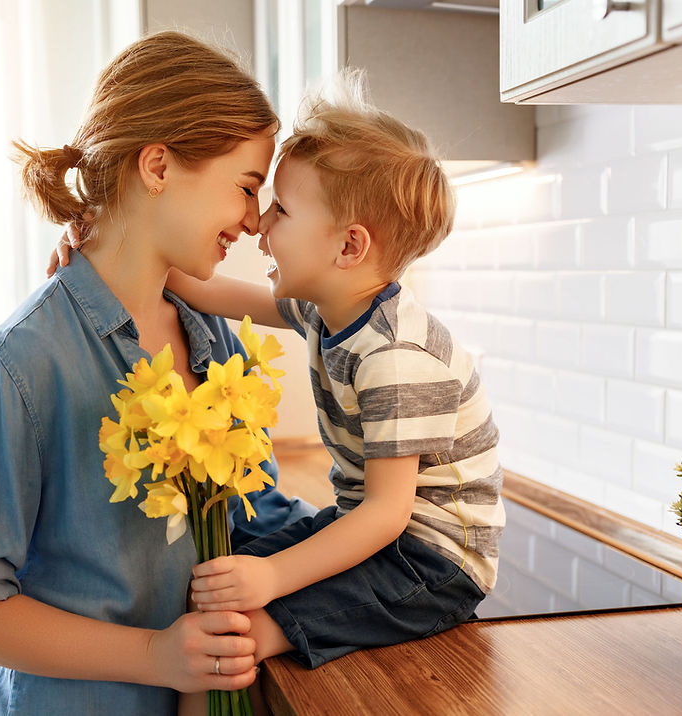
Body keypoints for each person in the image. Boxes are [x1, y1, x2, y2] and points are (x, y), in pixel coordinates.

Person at [0, 31, 314, 714]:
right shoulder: (21, 364)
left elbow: (253, 520)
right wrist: (156, 658)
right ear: (157, 165)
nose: (253, 221)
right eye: (247, 187)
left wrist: (383, 540)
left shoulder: (213, 340)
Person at [151, 73, 505, 669]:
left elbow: (388, 516)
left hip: (430, 564)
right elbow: (216, 294)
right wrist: (116, 245)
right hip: (371, 532)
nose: (260, 223)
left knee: (241, 630)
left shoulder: (396, 359)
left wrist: (272, 577)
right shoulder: (328, 309)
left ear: (348, 247)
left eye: (282, 210)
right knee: (218, 581)